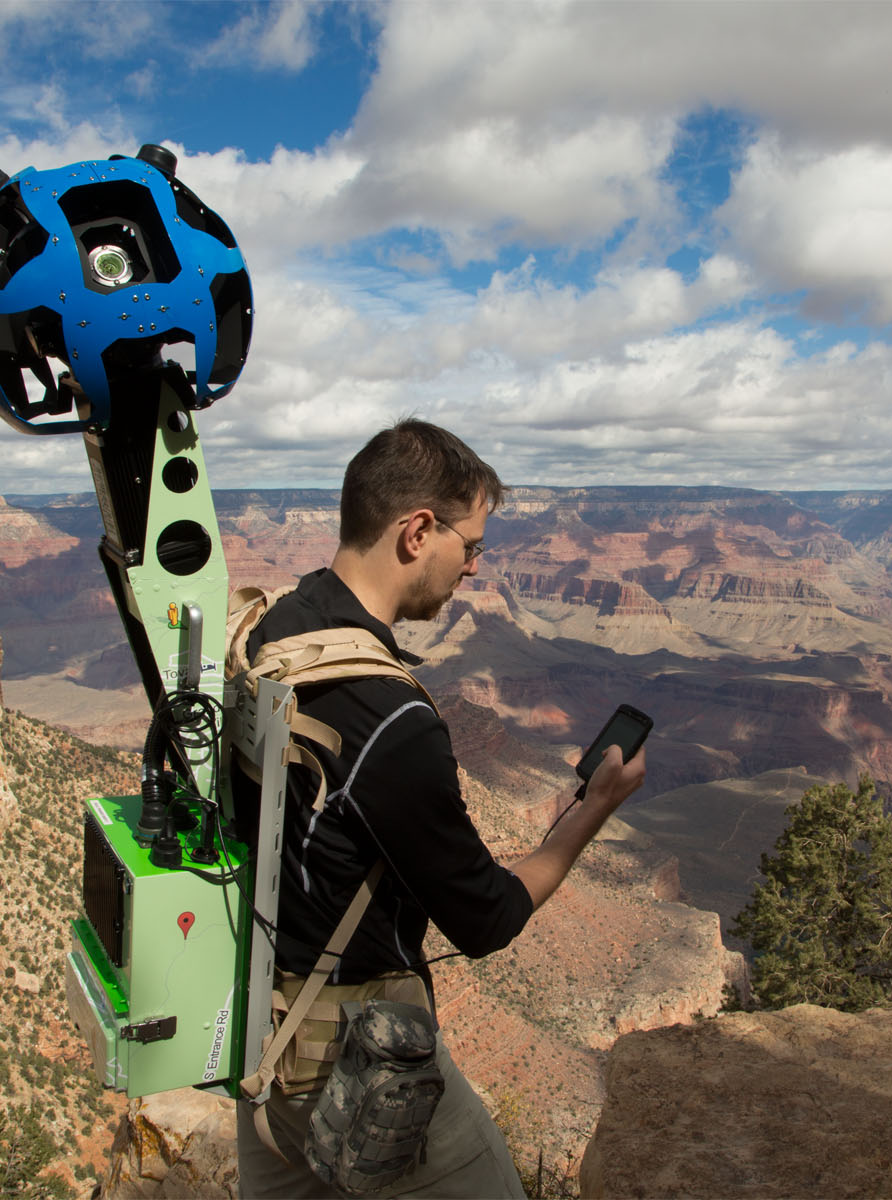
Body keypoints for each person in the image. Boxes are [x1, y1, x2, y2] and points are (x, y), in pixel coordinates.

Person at [233, 418, 647, 1198]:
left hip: (264, 1048)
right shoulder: (389, 717)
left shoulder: (272, 626)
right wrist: (593, 810)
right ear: (418, 531)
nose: (477, 569)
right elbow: (485, 920)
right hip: (352, 1071)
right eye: (473, 545)